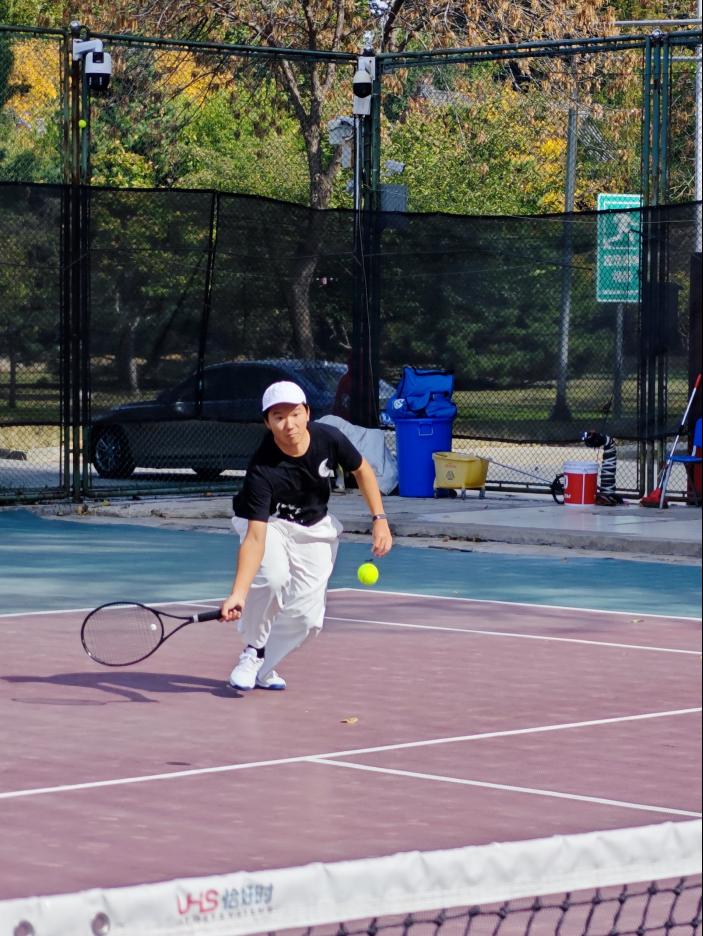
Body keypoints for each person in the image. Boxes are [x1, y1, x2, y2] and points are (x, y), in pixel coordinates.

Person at [220, 380, 393, 691]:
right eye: (278, 417)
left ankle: (264, 667)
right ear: (267, 422)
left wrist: (379, 519)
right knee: (273, 578)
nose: (289, 424)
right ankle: (253, 650)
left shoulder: (329, 438)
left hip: (314, 527)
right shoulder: (262, 468)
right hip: (270, 523)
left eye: (295, 414)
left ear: (307, 413)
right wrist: (239, 593)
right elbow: (255, 539)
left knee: (308, 621)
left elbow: (362, 470)